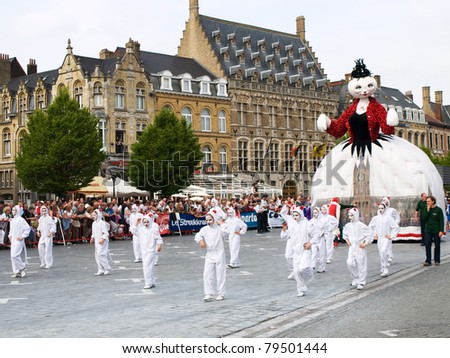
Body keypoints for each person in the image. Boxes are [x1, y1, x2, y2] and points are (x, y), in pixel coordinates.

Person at [194, 209, 230, 302]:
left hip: (219, 253)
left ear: (214, 219)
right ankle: (208, 293)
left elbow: (227, 232)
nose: (208, 222)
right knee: (207, 273)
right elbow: (198, 235)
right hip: (209, 254)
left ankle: (221, 293)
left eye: (210, 220)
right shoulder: (204, 229)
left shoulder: (220, 229)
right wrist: (201, 241)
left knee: (220, 273)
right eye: (207, 220)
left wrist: (222, 223)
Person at [279, 205, 315, 297]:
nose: (295, 217)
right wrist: (284, 230)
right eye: (294, 215)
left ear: (301, 215)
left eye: (297, 215)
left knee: (303, 268)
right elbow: (285, 236)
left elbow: (315, 235)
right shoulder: (292, 225)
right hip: (296, 251)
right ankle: (301, 289)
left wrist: (310, 243)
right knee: (296, 272)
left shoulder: (307, 224)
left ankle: (310, 273)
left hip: (305, 250)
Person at [343, 207, 373, 290]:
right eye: (349, 215)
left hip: (360, 247)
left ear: (355, 215)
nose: (350, 217)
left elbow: (370, 234)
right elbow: (344, 233)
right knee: (349, 263)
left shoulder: (361, 226)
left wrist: (365, 243)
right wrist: (346, 240)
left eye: (352, 215)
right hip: (352, 247)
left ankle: (361, 282)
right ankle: (356, 277)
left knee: (361, 264)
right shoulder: (348, 225)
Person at [369, 203, 399, 277]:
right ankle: (383, 266)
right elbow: (370, 227)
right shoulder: (376, 218)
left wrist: (391, 236)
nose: (380, 210)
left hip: (386, 238)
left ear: (385, 209)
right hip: (379, 238)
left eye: (382, 208)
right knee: (381, 253)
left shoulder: (388, 218)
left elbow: (396, 227)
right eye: (379, 208)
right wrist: (374, 234)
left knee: (383, 251)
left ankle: (385, 268)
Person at [136, 212, 163, 289]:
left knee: (146, 266)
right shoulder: (141, 230)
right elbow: (134, 231)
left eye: (147, 222)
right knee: (149, 266)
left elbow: (159, 238)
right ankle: (152, 281)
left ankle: (148, 282)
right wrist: (136, 223)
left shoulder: (153, 230)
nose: (146, 223)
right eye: (144, 222)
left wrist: (159, 245)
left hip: (151, 251)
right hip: (143, 251)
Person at [422, 196, 445, 266]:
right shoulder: (425, 209)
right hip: (428, 229)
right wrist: (428, 211)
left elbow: (441, 221)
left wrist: (441, 230)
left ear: (433, 201)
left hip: (436, 230)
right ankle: (428, 260)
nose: (427, 203)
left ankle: (437, 260)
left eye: (428, 201)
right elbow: (424, 219)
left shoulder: (438, 210)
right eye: (427, 201)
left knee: (437, 245)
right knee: (427, 244)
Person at [9, 205, 31, 278]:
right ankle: (16, 271)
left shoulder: (21, 220)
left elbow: (27, 228)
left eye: (14, 210)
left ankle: (22, 267)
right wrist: (10, 236)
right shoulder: (12, 220)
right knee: (13, 256)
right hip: (13, 240)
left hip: (19, 240)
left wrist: (22, 236)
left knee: (14, 255)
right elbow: (11, 230)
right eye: (12, 210)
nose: (13, 212)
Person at [90, 209, 111, 276]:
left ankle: (106, 268)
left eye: (94, 215)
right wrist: (92, 238)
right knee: (97, 255)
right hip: (97, 241)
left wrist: (103, 239)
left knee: (100, 254)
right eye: (92, 215)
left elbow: (106, 233)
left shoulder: (102, 223)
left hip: (102, 242)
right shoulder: (94, 223)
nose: (93, 216)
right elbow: (94, 232)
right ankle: (100, 269)